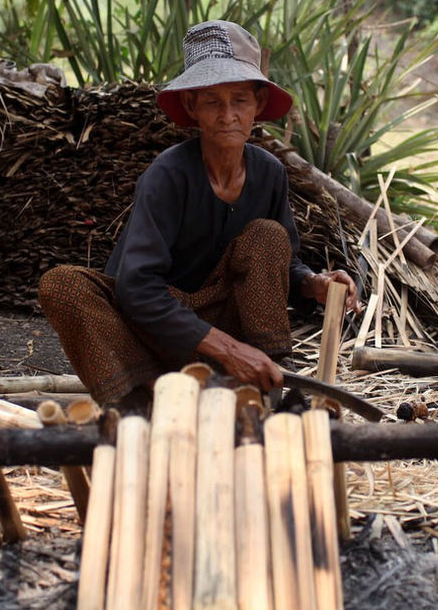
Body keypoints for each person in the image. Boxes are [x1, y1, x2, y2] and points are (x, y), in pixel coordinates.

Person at [38, 20, 358, 405]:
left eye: (239, 100)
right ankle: (142, 402)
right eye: (212, 101)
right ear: (191, 105)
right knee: (62, 285)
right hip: (154, 338)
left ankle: (262, 390)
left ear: (257, 104)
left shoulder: (269, 173)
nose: (227, 116)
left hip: (233, 343)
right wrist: (227, 350)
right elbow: (137, 288)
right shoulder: (167, 175)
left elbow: (284, 265)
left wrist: (315, 284)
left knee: (268, 237)